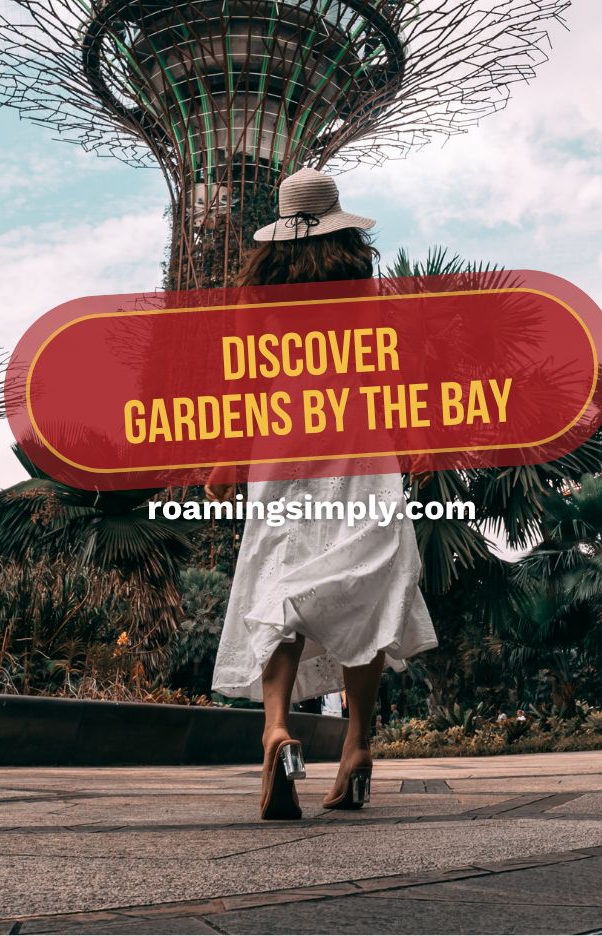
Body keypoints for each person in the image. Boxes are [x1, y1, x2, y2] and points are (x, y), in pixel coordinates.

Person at [207, 167, 438, 821]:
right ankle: (358, 748)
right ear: (340, 223)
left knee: (280, 581)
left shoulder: (260, 298)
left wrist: (224, 456)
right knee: (365, 585)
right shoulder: (365, 291)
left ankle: (276, 732)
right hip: (361, 442)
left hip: (284, 442)